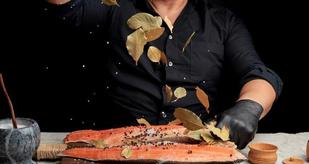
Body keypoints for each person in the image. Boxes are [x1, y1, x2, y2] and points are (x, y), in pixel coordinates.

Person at [43, 0, 283, 149]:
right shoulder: (112, 6)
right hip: (114, 150)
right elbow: (64, 5)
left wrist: (250, 106)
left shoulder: (221, 21)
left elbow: (258, 74)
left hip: (194, 150)